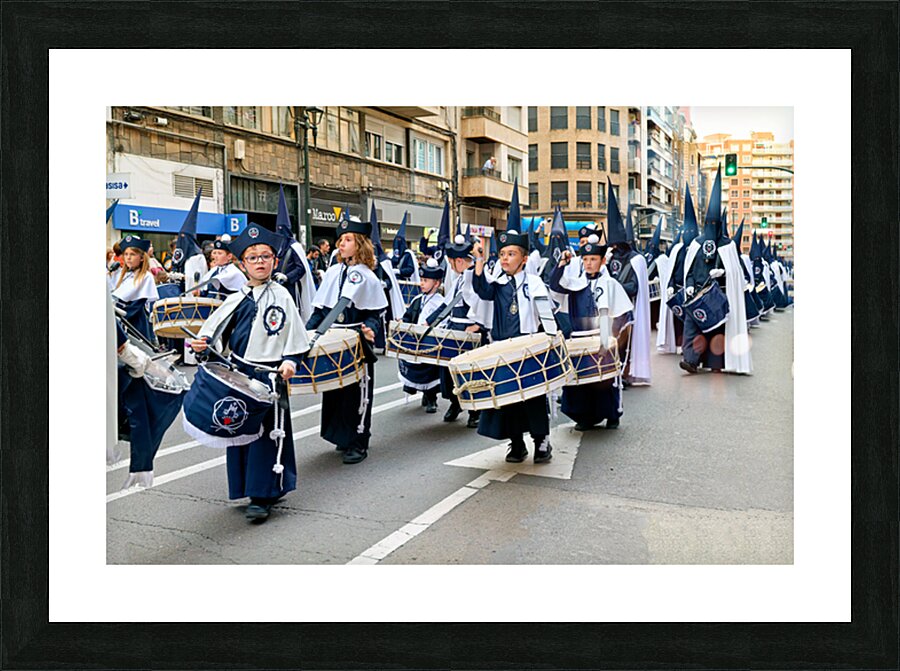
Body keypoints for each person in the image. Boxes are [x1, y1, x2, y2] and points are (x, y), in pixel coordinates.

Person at [189, 225, 310, 522]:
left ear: (274, 261)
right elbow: (216, 336)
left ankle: (263, 494)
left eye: (265, 256)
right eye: (252, 257)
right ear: (242, 264)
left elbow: (296, 337)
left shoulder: (282, 296)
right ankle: (246, 486)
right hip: (240, 374)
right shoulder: (236, 298)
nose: (260, 262)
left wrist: (291, 360)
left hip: (270, 375)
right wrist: (203, 345)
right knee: (241, 432)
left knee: (267, 437)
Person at [307, 215, 388, 464]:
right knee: (335, 390)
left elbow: (375, 313)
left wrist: (371, 328)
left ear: (360, 243)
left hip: (357, 340)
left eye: (348, 239)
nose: (341, 244)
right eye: (340, 239)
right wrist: (308, 333)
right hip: (333, 339)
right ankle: (341, 435)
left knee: (357, 393)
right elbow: (321, 310)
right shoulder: (332, 272)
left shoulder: (368, 276)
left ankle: (358, 441)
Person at [471, 230, 553, 465]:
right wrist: (479, 259)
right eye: (502, 254)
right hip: (502, 347)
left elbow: (546, 315)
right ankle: (516, 442)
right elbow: (482, 290)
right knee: (508, 398)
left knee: (534, 397)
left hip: (527, 347)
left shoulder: (534, 283)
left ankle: (541, 441)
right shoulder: (497, 284)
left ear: (524, 259)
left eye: (511, 254)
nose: (504, 258)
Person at [548, 234, 633, 430]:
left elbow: (621, 313)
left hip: (602, 337)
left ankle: (612, 414)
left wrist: (611, 338)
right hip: (580, 338)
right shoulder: (576, 282)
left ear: (602, 261)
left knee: (605, 379)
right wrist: (561, 263)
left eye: (593, 259)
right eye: (585, 259)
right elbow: (555, 285)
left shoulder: (610, 284)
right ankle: (584, 417)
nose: (588, 263)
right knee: (580, 381)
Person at [679, 167, 752, 375]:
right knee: (691, 325)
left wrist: (724, 273)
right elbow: (690, 270)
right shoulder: (696, 244)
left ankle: (717, 363)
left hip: (719, 297)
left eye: (714, 223)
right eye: (708, 223)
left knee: (717, 331)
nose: (711, 226)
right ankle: (690, 360)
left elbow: (736, 274)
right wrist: (690, 286)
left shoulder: (728, 246)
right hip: (698, 295)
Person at [438, 235, 491, 427]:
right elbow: (448, 303)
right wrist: (430, 322)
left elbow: (486, 301)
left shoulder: (477, 275)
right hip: (455, 329)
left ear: (459, 260)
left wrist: (478, 325)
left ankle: (475, 411)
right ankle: (455, 402)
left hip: (470, 330)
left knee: (470, 373)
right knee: (449, 371)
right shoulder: (460, 278)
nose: (451, 267)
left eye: (452, 263)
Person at [603, 181, 652, 386]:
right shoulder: (606, 257)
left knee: (624, 344)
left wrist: (615, 287)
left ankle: (624, 371)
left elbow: (634, 287)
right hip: (608, 310)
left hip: (628, 311)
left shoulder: (636, 260)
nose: (613, 247)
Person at [397, 258, 446, 413]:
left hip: (430, 344)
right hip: (415, 341)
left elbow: (442, 324)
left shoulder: (440, 303)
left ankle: (431, 398)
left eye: (426, 280)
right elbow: (408, 316)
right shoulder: (418, 300)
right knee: (411, 365)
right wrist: (402, 323)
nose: (422, 283)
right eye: (421, 280)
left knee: (429, 372)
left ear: (436, 283)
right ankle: (418, 391)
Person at [109, 235, 159, 343]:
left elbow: (138, 303)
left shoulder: (146, 276)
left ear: (141, 258)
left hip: (136, 321)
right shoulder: (121, 274)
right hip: (119, 317)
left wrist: (119, 313)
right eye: (126, 254)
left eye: (132, 254)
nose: (128, 257)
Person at [195, 237, 247, 301]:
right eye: (215, 253)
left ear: (229, 256)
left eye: (219, 253)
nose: (216, 256)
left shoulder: (234, 273)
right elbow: (208, 291)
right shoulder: (213, 271)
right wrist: (200, 293)